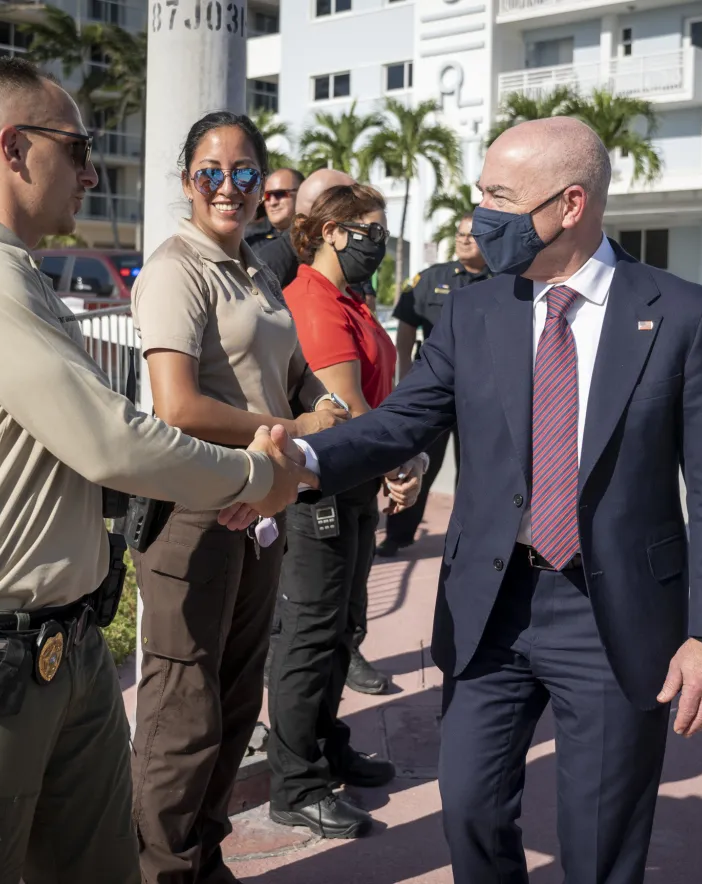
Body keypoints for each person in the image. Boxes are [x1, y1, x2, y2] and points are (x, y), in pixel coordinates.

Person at [0, 59, 307, 884]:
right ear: (15, 148)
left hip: (57, 654)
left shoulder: (6, 269)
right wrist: (254, 477)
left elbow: (81, 446)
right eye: (79, 148)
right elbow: (113, 439)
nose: (92, 171)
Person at [288, 117, 702, 882]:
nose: (481, 217)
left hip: (610, 619)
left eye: (501, 198)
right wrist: (296, 461)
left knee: (598, 843)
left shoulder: (681, 315)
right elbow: (402, 422)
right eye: (481, 195)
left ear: (570, 205)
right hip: (490, 607)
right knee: (467, 806)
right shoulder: (475, 311)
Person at [128, 113, 347, 884]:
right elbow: (178, 406)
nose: (229, 186)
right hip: (196, 511)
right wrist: (291, 427)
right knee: (181, 714)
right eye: (210, 172)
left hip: (259, 506)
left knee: (232, 699)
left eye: (246, 172)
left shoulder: (255, 269)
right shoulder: (176, 269)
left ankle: (205, 860)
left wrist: (323, 409)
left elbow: (291, 375)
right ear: (186, 179)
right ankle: (161, 870)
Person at [265, 182, 426, 839]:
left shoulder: (354, 300)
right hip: (319, 491)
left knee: (342, 628)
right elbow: (347, 402)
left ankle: (328, 746)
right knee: (309, 636)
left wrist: (397, 461)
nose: (377, 243)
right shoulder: (311, 297)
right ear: (329, 231)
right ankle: (295, 783)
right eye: (367, 229)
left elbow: (379, 397)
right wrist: (398, 460)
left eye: (382, 231)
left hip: (354, 485)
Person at [376, 214, 493, 558]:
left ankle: (470, 538)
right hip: (437, 390)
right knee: (416, 460)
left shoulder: (506, 280)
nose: (464, 240)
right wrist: (406, 375)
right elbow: (407, 328)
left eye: (472, 235)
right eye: (459, 234)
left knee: (476, 469)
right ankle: (397, 535)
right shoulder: (432, 278)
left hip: (483, 393)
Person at [243, 168, 303, 286]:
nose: (272, 202)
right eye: (267, 196)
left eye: (280, 194)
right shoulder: (250, 240)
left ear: (302, 193)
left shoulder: (319, 238)